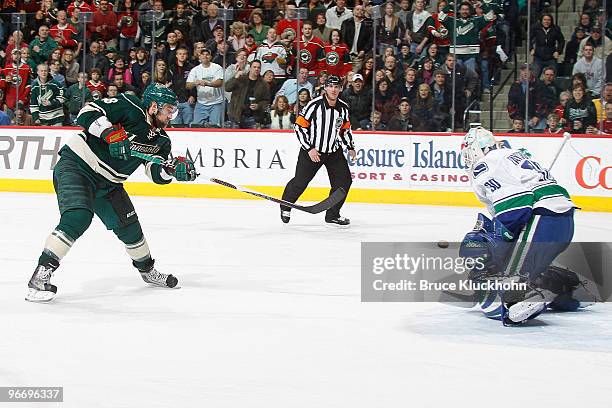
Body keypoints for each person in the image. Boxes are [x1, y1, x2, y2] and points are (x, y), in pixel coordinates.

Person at [25, 85, 198, 302]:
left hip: (110, 184)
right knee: (78, 216)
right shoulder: (130, 106)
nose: (171, 115)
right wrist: (110, 134)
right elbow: (86, 113)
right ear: (153, 106)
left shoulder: (161, 141)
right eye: (168, 110)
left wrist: (170, 170)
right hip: (77, 166)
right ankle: (40, 276)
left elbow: (154, 175)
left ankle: (147, 272)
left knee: (131, 230)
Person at [459, 127, 581, 325]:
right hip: (562, 221)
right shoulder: (510, 155)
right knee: (511, 261)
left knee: (477, 246)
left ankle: (514, 299)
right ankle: (562, 287)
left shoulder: (486, 163)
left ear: (474, 150)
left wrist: (496, 244)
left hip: (543, 220)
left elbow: (517, 206)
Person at [281, 75, 355, 226]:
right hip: (313, 151)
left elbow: (345, 130)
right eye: (331, 86)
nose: (334, 89)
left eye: (337, 87)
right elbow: (299, 127)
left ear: (341, 88)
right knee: (300, 182)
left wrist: (350, 147)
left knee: (344, 181)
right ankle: (286, 205)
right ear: (325, 87)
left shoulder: (343, 108)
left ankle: (333, 214)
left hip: (334, 152)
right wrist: (309, 148)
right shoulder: (314, 105)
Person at [225, 60, 271, 129]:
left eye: (258, 68)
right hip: (236, 115)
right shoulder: (240, 78)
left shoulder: (264, 84)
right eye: (254, 67)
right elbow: (227, 88)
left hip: (253, 118)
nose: (256, 69)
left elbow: (266, 101)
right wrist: (235, 77)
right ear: (250, 68)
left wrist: (258, 105)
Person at [186, 48, 224, 127]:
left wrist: (207, 84)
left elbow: (219, 83)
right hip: (201, 103)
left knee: (215, 127)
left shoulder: (217, 68)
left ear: (210, 57)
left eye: (207, 54)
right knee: (196, 126)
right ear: (199, 57)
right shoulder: (195, 70)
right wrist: (195, 83)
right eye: (202, 54)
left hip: (216, 103)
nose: (205, 56)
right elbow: (188, 85)